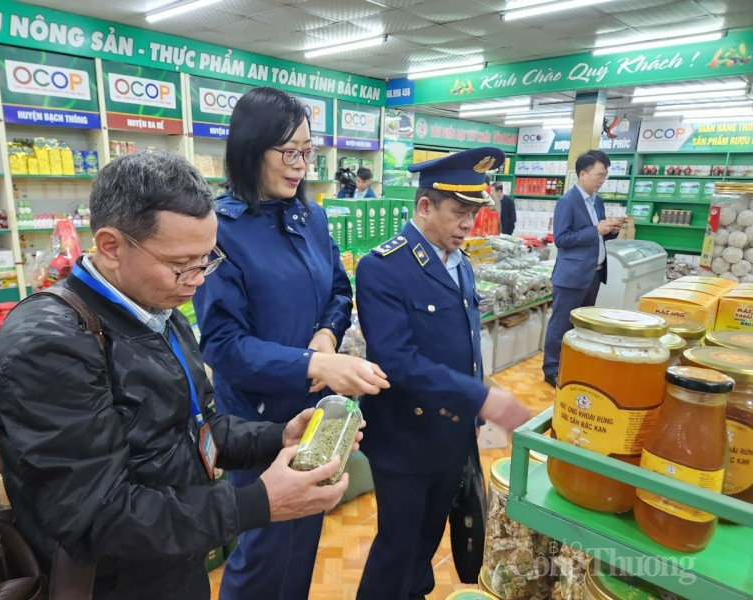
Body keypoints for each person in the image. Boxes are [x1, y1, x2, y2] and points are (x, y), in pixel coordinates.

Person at [0, 151, 353, 600]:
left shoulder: (158, 310)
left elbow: (197, 431)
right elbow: (96, 517)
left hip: (175, 566)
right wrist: (258, 502)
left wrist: (279, 436)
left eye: (207, 259)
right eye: (181, 263)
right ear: (111, 246)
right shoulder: (50, 345)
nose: (197, 279)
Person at [192, 86, 389, 600]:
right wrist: (313, 363)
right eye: (290, 152)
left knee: (305, 535)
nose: (302, 164)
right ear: (250, 149)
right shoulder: (218, 231)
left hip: (316, 411)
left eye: (309, 151)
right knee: (264, 550)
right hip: (258, 419)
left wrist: (326, 337)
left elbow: (338, 290)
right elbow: (224, 345)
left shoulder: (312, 217)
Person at [354, 147, 531, 600]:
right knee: (398, 548)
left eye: (475, 211)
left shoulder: (462, 263)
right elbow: (397, 359)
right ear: (425, 206)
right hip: (406, 438)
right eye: (459, 211)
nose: (468, 223)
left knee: (426, 540)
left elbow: (462, 350)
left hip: (451, 433)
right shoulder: (383, 267)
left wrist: (472, 405)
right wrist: (480, 397)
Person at [542, 149, 623, 387]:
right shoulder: (567, 202)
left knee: (583, 326)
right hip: (571, 276)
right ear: (583, 173)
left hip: (594, 272)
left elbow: (596, 236)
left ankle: (575, 364)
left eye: (605, 175)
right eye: (599, 175)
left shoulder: (598, 201)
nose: (602, 180)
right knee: (561, 324)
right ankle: (552, 369)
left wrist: (611, 230)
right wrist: (595, 230)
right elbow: (562, 239)